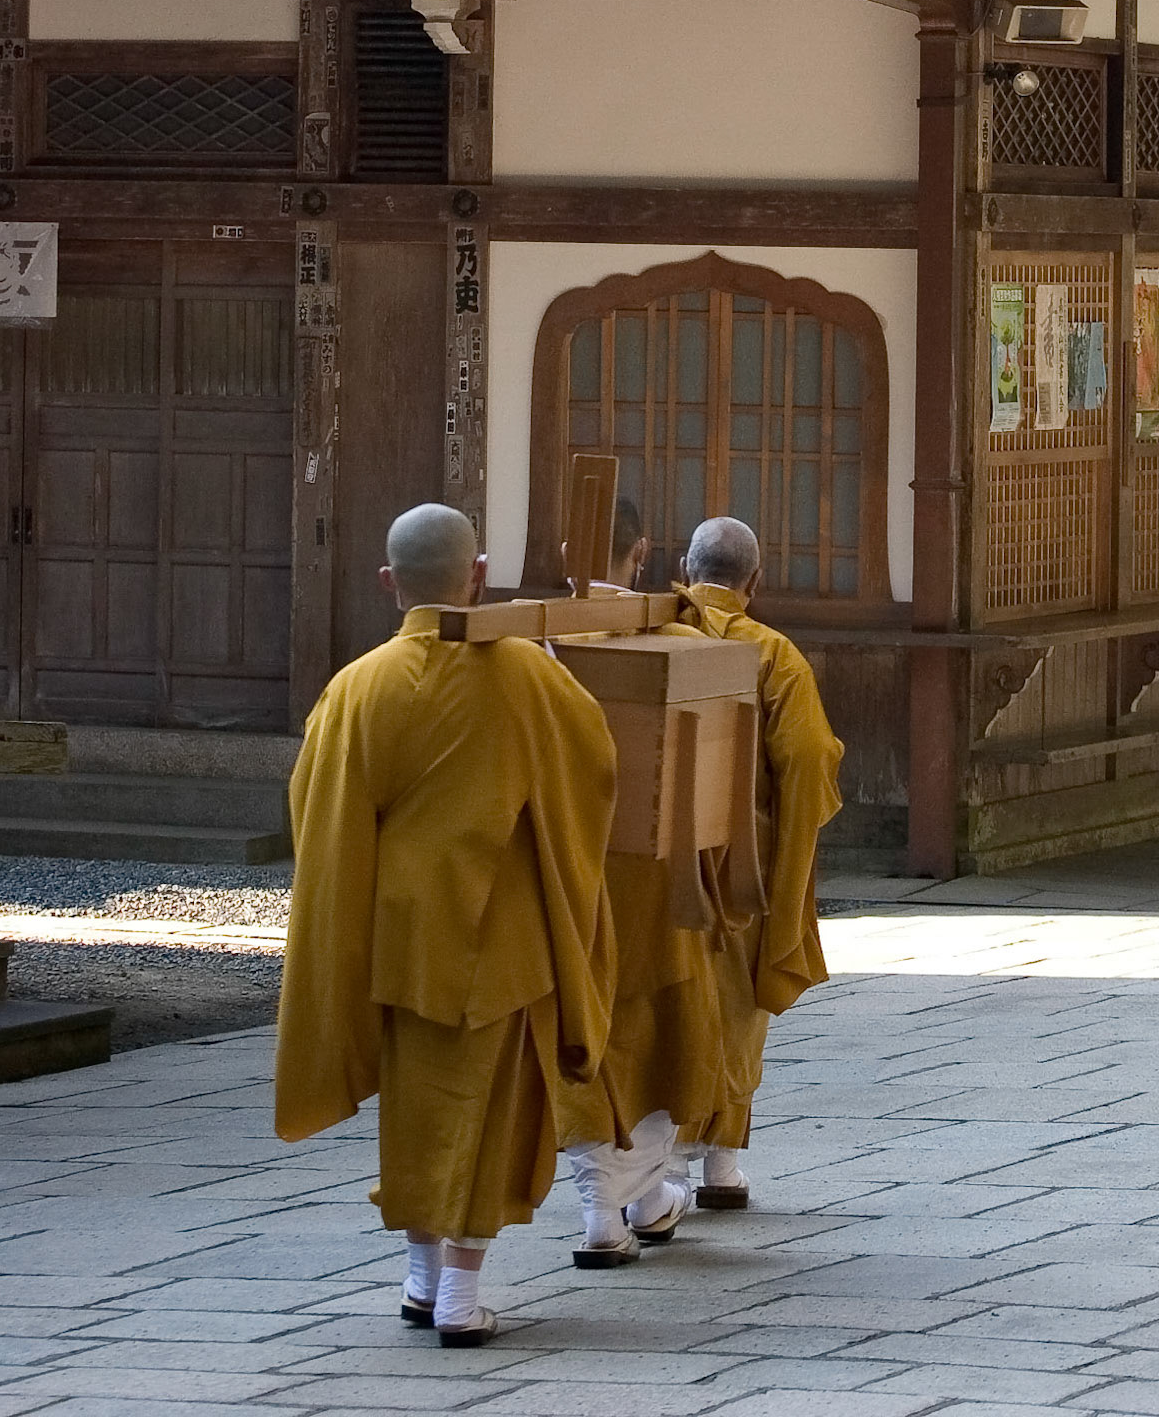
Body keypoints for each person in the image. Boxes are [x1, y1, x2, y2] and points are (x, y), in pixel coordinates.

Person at [276, 504, 619, 1347]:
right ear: (479, 574)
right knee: (486, 1109)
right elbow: (596, 763)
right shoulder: (529, 677)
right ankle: (460, 1292)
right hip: (502, 936)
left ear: (390, 584)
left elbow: (314, 814)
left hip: (400, 935)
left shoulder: (356, 689)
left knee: (420, 1104)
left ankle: (421, 1277)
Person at [556, 496, 727, 1268]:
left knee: (587, 1031)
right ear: (648, 550)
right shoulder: (679, 641)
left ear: (568, 555)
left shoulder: (537, 652)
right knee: (658, 1032)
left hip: (574, 873)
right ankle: (638, 1197)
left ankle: (613, 1206)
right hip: (658, 871)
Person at [673, 515, 843, 1209]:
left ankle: (665, 1168)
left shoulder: (659, 641)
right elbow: (807, 759)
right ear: (756, 580)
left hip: (667, 856)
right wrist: (789, 849)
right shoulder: (774, 656)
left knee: (675, 1001)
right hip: (744, 854)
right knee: (737, 1006)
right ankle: (721, 1166)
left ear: (685, 570)